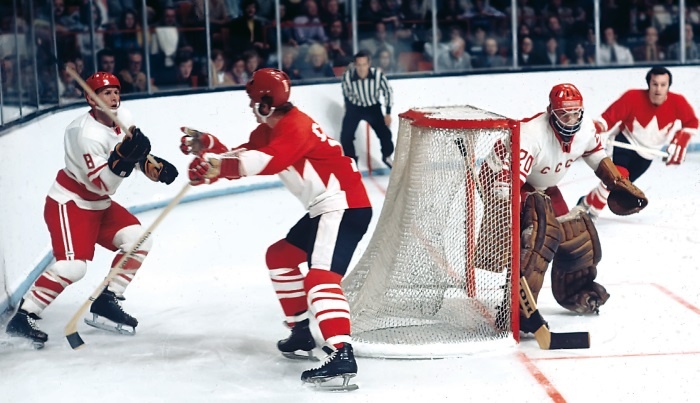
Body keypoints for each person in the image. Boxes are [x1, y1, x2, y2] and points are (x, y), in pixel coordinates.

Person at [181, 68, 371, 389]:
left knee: (320, 278)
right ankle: (300, 333)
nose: (250, 106)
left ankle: (341, 351)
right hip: (329, 207)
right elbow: (246, 154)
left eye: (252, 100)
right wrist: (209, 149)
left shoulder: (296, 127)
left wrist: (217, 166)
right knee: (280, 256)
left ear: (265, 104)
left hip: (342, 206)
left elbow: (270, 162)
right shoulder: (273, 128)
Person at [4, 72, 179, 348]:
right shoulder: (84, 134)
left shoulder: (124, 117)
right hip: (71, 203)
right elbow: (104, 184)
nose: (114, 97)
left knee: (139, 240)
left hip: (99, 205)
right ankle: (24, 316)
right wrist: (126, 158)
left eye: (116, 91)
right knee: (73, 267)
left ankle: (107, 300)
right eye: (105, 93)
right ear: (90, 99)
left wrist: (153, 168)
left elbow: (135, 155)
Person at [481, 83, 647, 332]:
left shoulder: (586, 128)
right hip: (501, 179)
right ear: (551, 113)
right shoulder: (532, 135)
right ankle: (517, 310)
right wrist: (512, 223)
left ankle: (576, 291)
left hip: (540, 183)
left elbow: (596, 155)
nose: (570, 120)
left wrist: (616, 181)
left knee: (575, 234)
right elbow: (510, 183)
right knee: (539, 235)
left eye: (575, 113)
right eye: (563, 114)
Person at [578, 66, 699, 219]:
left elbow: (692, 122)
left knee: (616, 186)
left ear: (669, 86)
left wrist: (681, 139)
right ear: (649, 84)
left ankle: (585, 202)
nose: (658, 89)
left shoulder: (678, 102)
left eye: (663, 85)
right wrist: (597, 129)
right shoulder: (632, 97)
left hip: (647, 155)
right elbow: (608, 118)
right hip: (625, 143)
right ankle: (591, 215)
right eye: (655, 84)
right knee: (616, 180)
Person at [340, 51, 395, 168]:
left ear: (369, 64)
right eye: (358, 65)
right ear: (355, 65)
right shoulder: (348, 76)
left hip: (373, 107)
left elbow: (388, 92)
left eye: (364, 64)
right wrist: (347, 104)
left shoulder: (378, 75)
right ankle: (352, 163)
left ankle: (387, 156)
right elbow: (345, 91)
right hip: (355, 108)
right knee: (346, 136)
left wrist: (388, 112)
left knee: (385, 134)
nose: (361, 68)